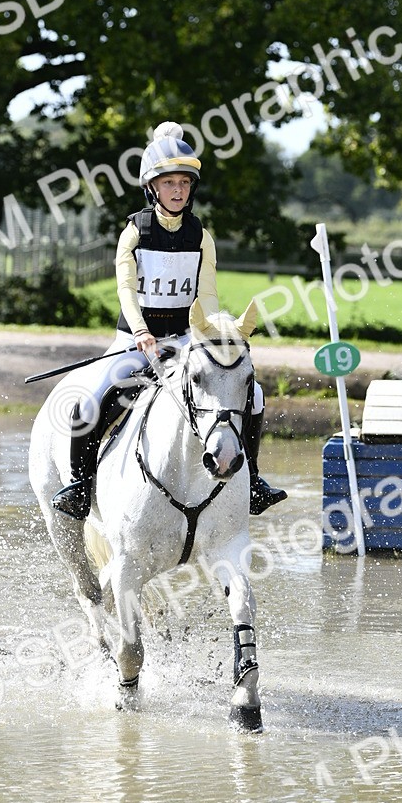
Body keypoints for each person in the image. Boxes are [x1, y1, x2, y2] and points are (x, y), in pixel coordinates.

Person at [52, 121, 288, 521]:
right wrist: (141, 332)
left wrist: (213, 331)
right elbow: (126, 290)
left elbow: (207, 295)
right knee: (93, 402)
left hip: (184, 341)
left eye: (183, 182)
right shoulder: (135, 233)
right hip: (134, 341)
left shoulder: (201, 236)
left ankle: (252, 482)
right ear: (152, 188)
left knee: (256, 395)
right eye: (168, 183)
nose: (177, 190)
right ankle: (78, 485)